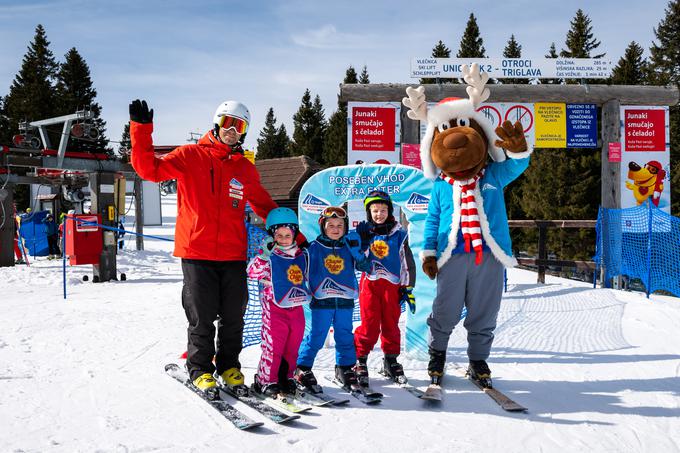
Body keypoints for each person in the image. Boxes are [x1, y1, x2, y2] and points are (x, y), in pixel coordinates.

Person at [129, 99, 277, 397]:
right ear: (217, 124)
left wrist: (292, 231)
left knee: (235, 314)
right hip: (197, 251)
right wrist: (141, 130)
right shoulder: (190, 155)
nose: (232, 130)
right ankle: (199, 369)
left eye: (240, 126)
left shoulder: (244, 169)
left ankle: (229, 366)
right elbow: (149, 170)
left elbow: (264, 205)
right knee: (202, 315)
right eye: (228, 123)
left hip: (234, 254)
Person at [294, 206, 370, 391]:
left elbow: (365, 267)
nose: (336, 229)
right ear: (323, 226)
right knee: (317, 336)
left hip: (345, 300)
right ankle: (302, 368)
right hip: (322, 301)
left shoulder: (349, 245)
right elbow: (297, 268)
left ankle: (344, 368)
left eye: (339, 225)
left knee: (344, 335)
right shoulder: (313, 248)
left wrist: (358, 252)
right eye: (331, 225)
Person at [353, 191, 416, 386]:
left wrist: (407, 287)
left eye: (382, 210)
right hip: (370, 285)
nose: (379, 214)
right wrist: (362, 243)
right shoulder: (365, 234)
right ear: (368, 213)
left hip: (392, 286)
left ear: (390, 211)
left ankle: (391, 360)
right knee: (369, 323)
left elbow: (407, 262)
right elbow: (358, 261)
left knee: (391, 323)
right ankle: (360, 359)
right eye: (374, 211)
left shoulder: (400, 235)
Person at [247, 208, 311, 398]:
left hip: (295, 306)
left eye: (288, 235)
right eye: (279, 235)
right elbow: (252, 272)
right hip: (273, 307)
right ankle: (266, 380)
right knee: (274, 345)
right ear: (272, 236)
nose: (284, 239)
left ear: (294, 235)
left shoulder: (300, 255)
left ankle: (287, 377)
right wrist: (264, 256)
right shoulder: (269, 255)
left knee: (293, 344)